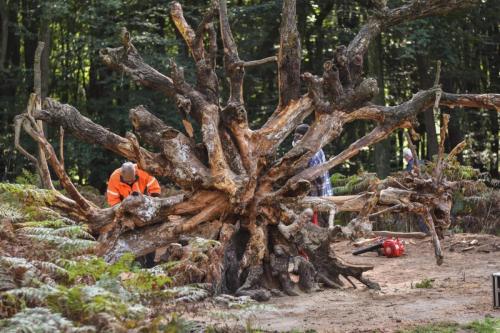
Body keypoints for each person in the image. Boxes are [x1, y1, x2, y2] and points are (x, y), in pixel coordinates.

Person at [293, 124, 333, 227]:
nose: (296, 140)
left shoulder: (312, 150)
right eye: (295, 136)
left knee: (318, 226)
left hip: (319, 195)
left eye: (299, 137)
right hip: (317, 195)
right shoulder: (310, 147)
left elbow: (315, 175)